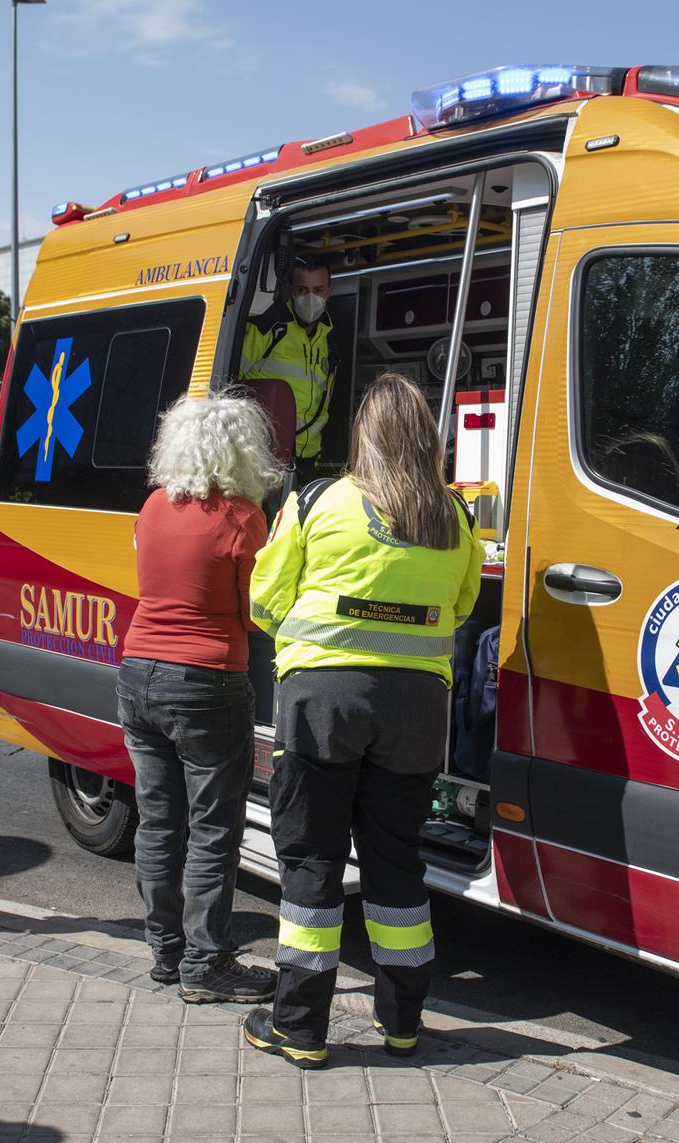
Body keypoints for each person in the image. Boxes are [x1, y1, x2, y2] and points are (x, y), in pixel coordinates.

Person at [242, 372, 482, 1068]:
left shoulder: (318, 501)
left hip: (323, 707)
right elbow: (463, 606)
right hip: (414, 713)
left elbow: (263, 599)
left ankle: (300, 1027)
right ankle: (404, 1023)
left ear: (363, 436)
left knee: (313, 861)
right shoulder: (453, 517)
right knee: (397, 864)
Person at [119, 391, 284, 1004]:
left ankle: (165, 952)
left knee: (159, 823)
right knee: (213, 830)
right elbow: (255, 612)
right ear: (244, 451)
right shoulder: (242, 517)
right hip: (208, 679)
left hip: (138, 673)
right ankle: (205, 964)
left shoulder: (153, 504)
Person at [240, 255, 337, 467]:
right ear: (291, 290)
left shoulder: (328, 340)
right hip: (265, 456)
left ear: (328, 291)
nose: (311, 298)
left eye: (318, 290)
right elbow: (228, 381)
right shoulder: (269, 328)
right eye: (302, 290)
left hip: (310, 456)